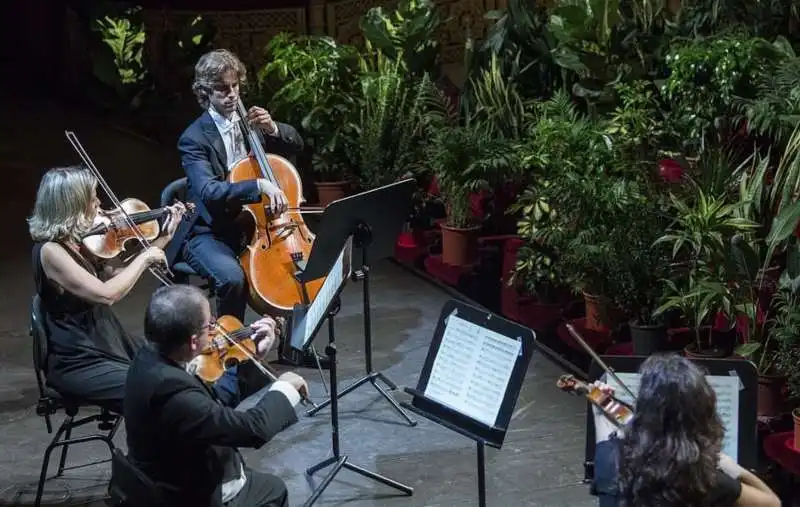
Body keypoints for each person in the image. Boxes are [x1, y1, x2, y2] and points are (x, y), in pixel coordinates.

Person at [170, 48, 325, 368]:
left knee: (306, 269)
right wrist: (257, 186)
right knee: (231, 278)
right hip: (212, 230)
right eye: (222, 89)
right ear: (204, 92)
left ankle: (296, 346)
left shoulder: (250, 122)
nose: (231, 95)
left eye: (235, 87)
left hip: (260, 226)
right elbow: (209, 192)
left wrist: (272, 129)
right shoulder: (193, 138)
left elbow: (296, 143)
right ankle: (230, 353)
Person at [124, 284, 308, 507]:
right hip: (186, 492)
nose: (214, 330)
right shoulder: (171, 390)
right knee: (273, 489)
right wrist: (286, 388)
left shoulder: (151, 356)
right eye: (209, 325)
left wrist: (253, 357)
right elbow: (251, 430)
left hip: (171, 468)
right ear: (193, 341)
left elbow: (213, 402)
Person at [28, 165, 185, 413]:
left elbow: (118, 278)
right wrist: (146, 259)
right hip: (78, 359)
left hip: (104, 340)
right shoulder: (50, 251)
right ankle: (150, 451)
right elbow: (106, 294)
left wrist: (161, 240)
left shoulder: (80, 241)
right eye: (92, 199)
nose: (99, 204)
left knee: (174, 378)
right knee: (156, 397)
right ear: (72, 206)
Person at [591, 354, 780, 507]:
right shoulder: (705, 481)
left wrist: (599, 408)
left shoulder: (609, 458)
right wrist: (731, 466)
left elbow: (605, 438)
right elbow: (772, 503)